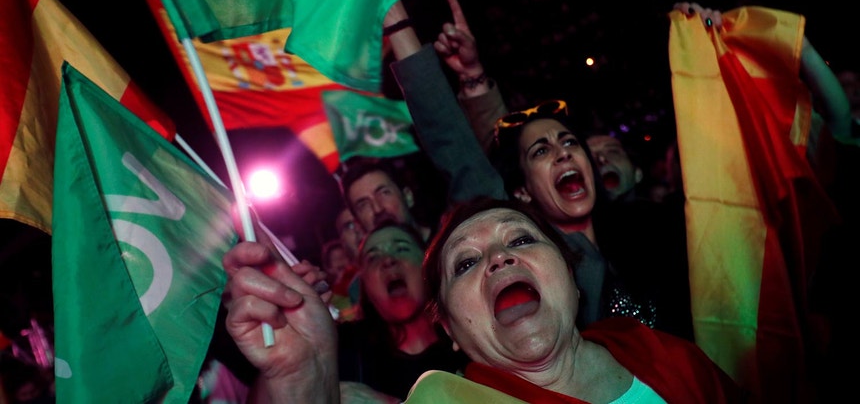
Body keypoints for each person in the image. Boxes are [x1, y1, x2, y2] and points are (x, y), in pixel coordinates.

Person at [221, 197, 746, 403]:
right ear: (448, 328)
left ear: (570, 276)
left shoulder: (660, 352)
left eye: (520, 240)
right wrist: (300, 384)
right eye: (466, 264)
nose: (498, 258)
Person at [385, 0, 660, 331]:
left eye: (570, 142)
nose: (562, 153)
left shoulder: (649, 229)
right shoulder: (536, 255)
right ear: (523, 191)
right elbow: (454, 144)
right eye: (541, 151)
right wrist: (397, 24)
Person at [223, 220, 468, 403]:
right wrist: (290, 366)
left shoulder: (469, 340)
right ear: (365, 285)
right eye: (373, 258)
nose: (388, 260)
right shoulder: (341, 344)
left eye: (401, 248)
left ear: (428, 265)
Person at [338, 158, 433, 242]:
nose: (377, 209)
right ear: (358, 223)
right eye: (363, 205)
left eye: (384, 193)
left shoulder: (444, 244)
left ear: (408, 196)